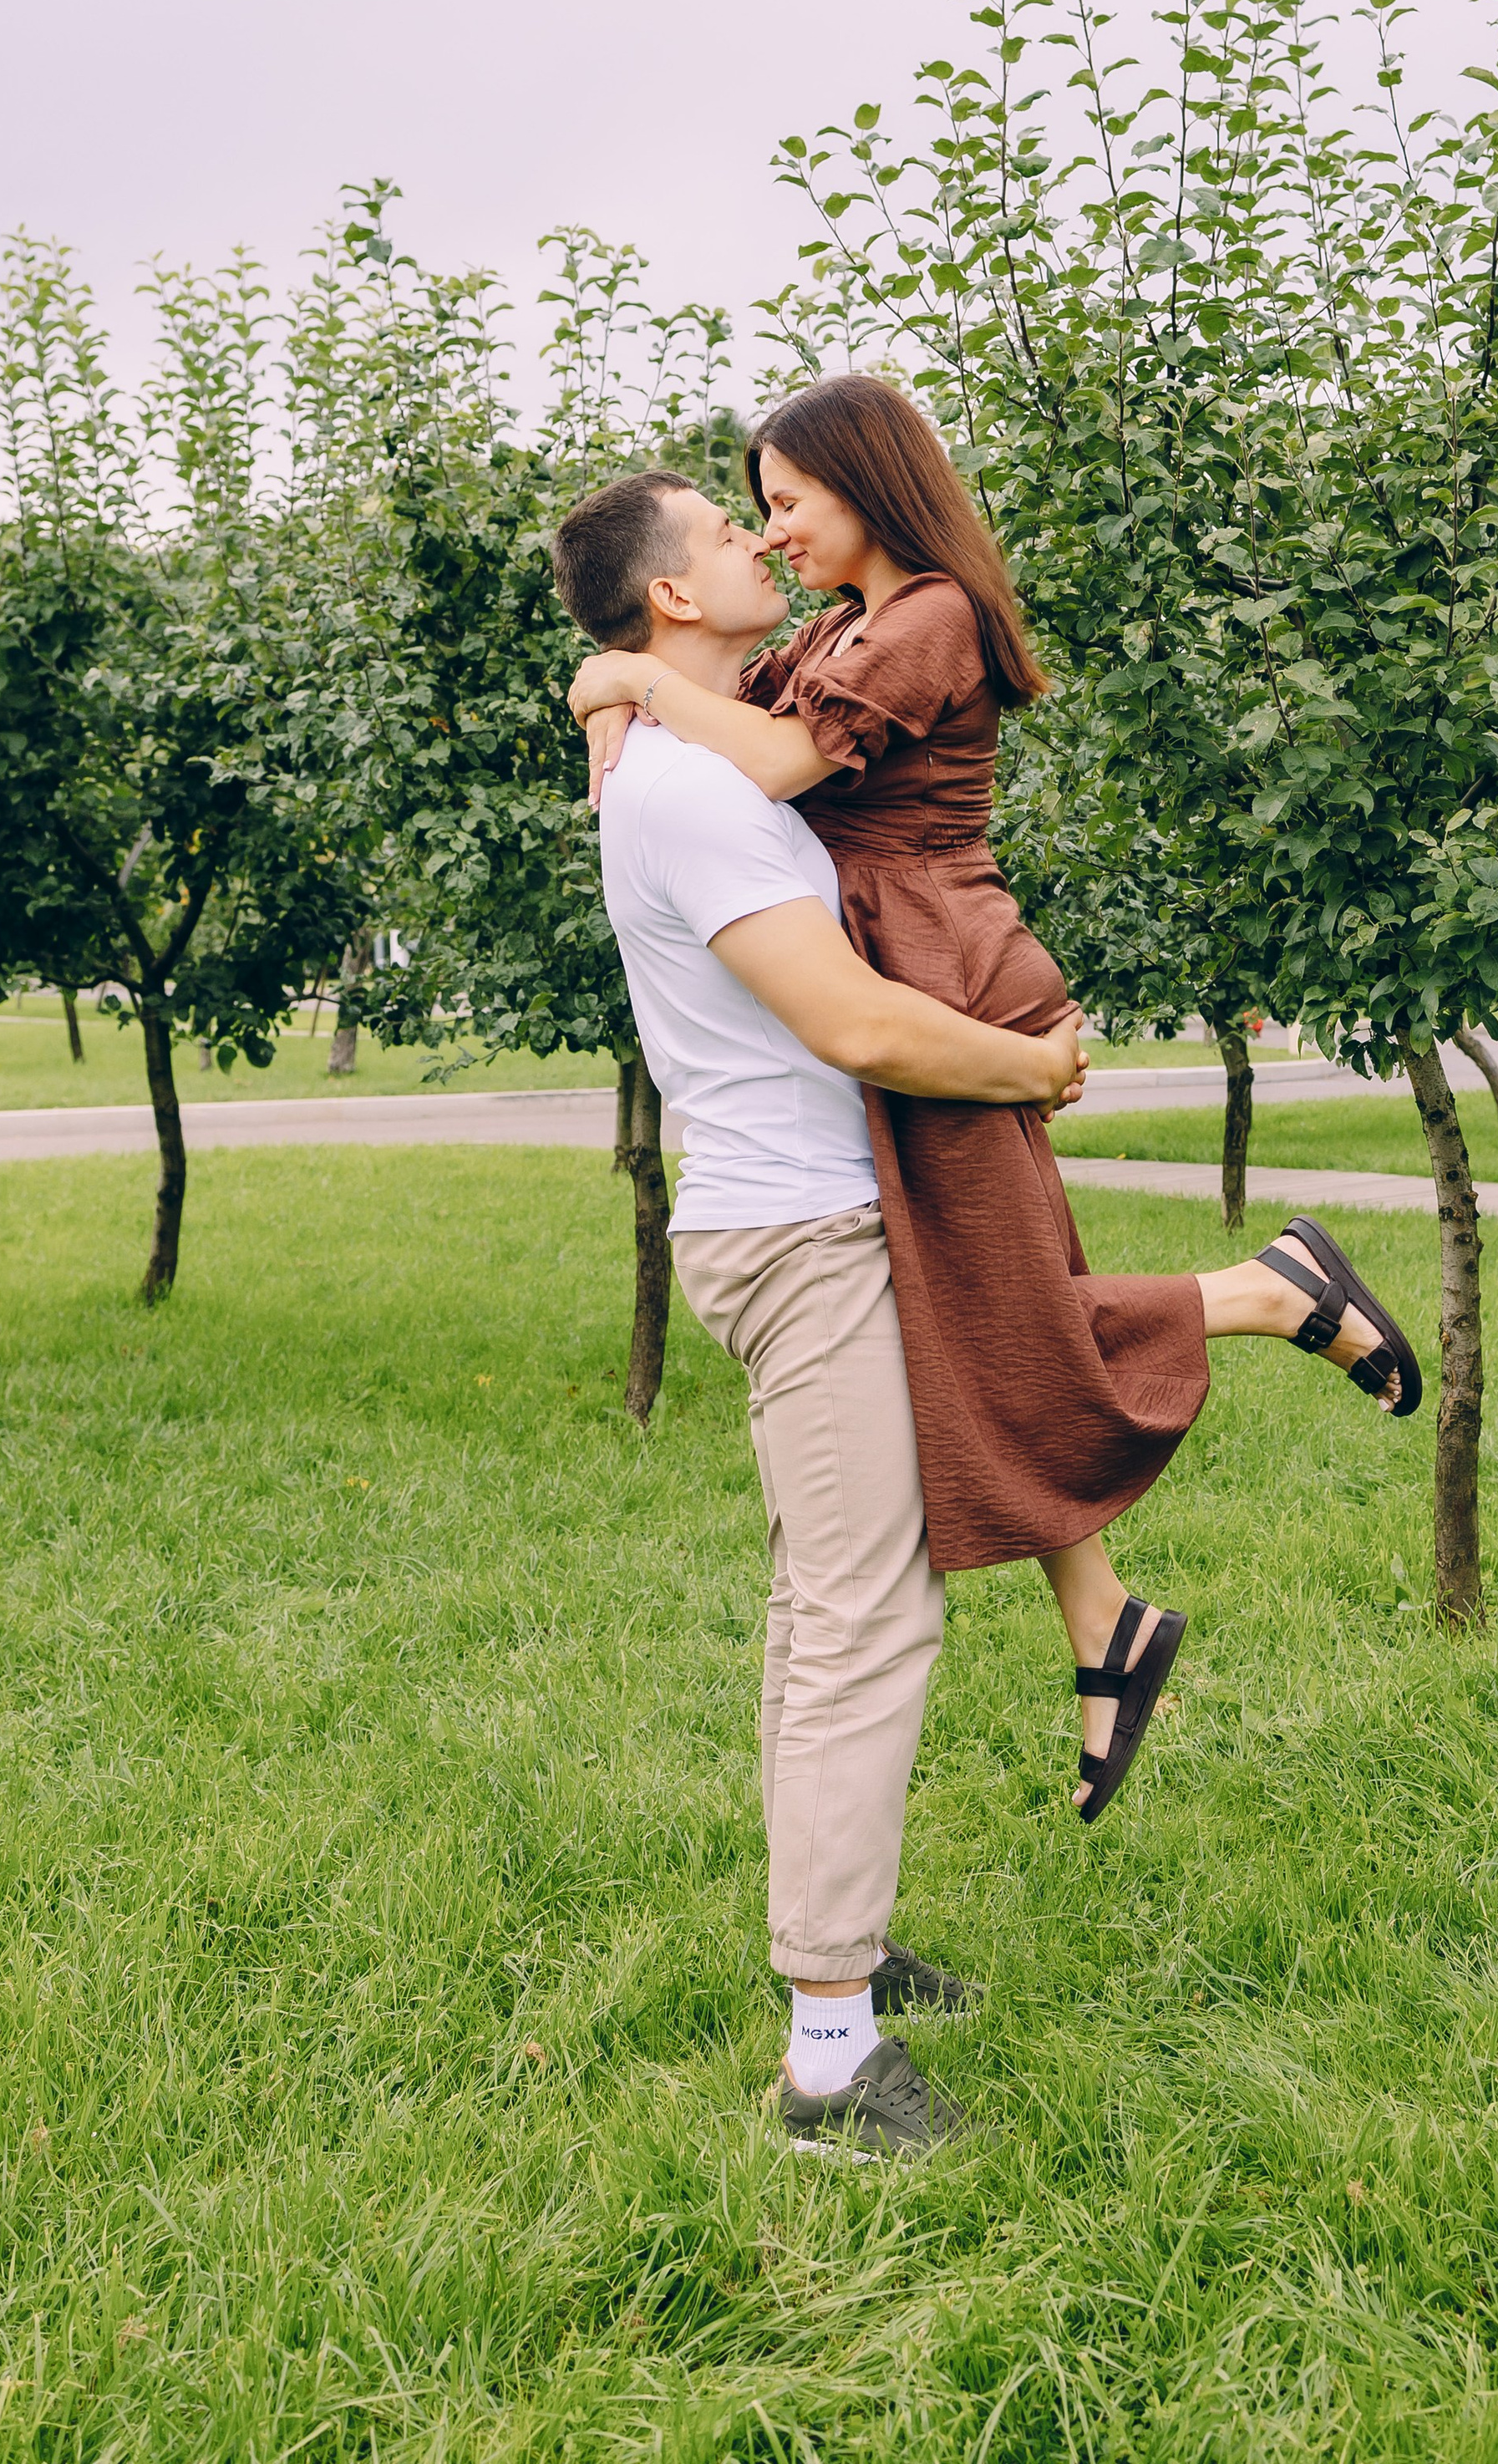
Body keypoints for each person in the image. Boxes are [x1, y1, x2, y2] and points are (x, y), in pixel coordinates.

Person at [566, 384, 1422, 1821]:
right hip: (902, 976)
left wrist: (626, 681)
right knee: (977, 1315)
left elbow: (768, 758)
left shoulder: (933, 615)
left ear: (866, 481)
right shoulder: (837, 632)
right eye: (752, 512)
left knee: (995, 1309)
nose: (772, 532)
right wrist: (609, 685)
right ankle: (1105, 1623)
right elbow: (724, 721)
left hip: (942, 980)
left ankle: (1269, 1294)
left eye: (787, 500)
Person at [549, 474, 1086, 2157]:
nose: (757, 541)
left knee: (821, 1613)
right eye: (727, 532)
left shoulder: (695, 745)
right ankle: (830, 2059)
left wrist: (612, 686)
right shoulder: (692, 791)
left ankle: (833, 1951)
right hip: (804, 1228)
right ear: (669, 597)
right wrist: (1033, 1067)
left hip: (786, 1211)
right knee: (867, 1625)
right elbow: (853, 1022)